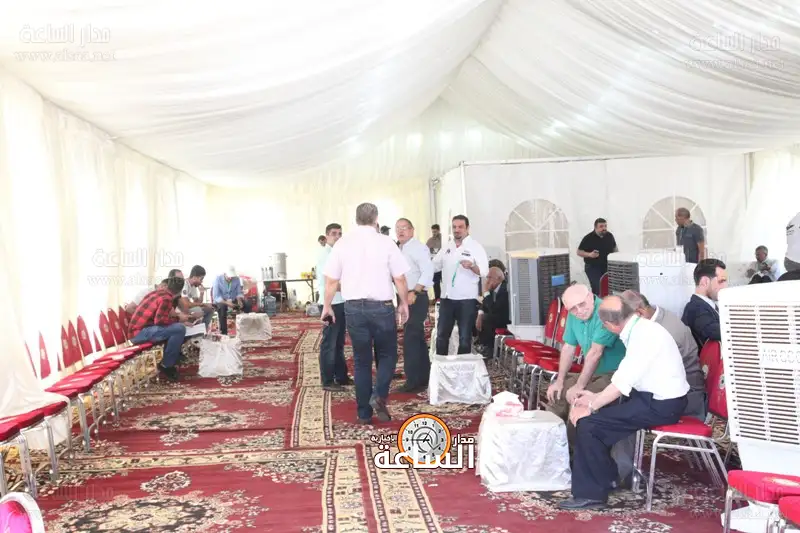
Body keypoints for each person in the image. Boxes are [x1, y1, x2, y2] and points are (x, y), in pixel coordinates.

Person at [558, 295, 689, 511]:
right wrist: (594, 398)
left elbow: (622, 382)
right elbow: (625, 376)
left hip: (661, 404)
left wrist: (590, 406)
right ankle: (608, 477)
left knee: (589, 425)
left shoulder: (643, 336)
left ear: (609, 325)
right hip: (652, 397)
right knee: (599, 417)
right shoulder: (641, 328)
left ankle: (590, 494)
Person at [322, 203, 410, 424]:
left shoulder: (342, 244)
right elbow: (399, 278)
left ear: (356, 219)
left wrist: (327, 306)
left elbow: (331, 280)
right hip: (381, 307)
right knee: (388, 355)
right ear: (376, 219)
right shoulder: (386, 242)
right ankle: (379, 395)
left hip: (353, 308)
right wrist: (403, 303)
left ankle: (363, 413)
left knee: (362, 360)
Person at [432, 215, 489, 355]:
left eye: (460, 227)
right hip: (447, 298)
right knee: (441, 336)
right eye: (454, 227)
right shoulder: (447, 247)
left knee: (464, 338)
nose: (457, 230)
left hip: (466, 300)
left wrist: (472, 266)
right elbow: (434, 265)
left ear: (467, 228)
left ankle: (463, 366)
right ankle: (441, 365)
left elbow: (484, 271)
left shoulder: (475, 247)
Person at [395, 218, 434, 393]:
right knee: (416, 338)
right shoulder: (400, 248)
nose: (400, 231)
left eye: (404, 228)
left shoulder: (418, 247)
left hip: (416, 297)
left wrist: (415, 292)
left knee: (410, 338)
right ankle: (423, 377)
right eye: (398, 228)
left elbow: (428, 271)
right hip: (405, 296)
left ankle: (412, 380)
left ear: (412, 230)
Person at [127, 276, 191, 382]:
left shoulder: (156, 293)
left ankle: (171, 359)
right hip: (140, 333)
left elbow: (160, 319)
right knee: (179, 329)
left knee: (176, 329)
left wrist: (176, 320)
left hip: (137, 331)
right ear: (180, 292)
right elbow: (160, 321)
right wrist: (178, 319)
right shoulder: (167, 299)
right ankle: (167, 365)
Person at [317, 223, 351, 391]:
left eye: (340, 234)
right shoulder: (326, 255)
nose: (337, 237)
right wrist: (352, 287)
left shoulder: (337, 254)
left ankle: (341, 376)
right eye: (334, 233)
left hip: (340, 302)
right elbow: (330, 283)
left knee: (338, 343)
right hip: (330, 304)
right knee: (329, 343)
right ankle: (327, 380)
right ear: (326, 236)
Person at [682, 259, 727, 349]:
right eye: (721, 281)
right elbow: (718, 333)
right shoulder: (696, 308)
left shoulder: (706, 305)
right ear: (704, 281)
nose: (725, 286)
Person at [475, 266, 510, 358]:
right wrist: (480, 314)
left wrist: (486, 292)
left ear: (499, 278)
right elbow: (485, 304)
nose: (487, 281)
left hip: (505, 320)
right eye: (487, 277)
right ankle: (481, 343)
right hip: (496, 316)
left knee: (487, 319)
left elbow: (493, 308)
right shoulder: (494, 288)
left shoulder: (505, 289)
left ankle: (490, 349)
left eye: (490, 277)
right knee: (476, 313)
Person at [577, 218, 617, 295]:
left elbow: (615, 249)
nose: (604, 228)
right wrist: (589, 254)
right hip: (592, 267)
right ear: (595, 227)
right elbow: (579, 252)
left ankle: (607, 302)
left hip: (607, 266)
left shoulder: (609, 236)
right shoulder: (588, 238)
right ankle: (597, 302)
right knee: (598, 287)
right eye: (601, 226)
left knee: (608, 288)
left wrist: (616, 258)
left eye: (605, 226)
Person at [212, 266, 251, 335]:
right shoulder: (217, 279)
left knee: (247, 304)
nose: (230, 278)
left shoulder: (236, 279)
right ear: (224, 274)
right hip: (222, 301)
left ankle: (246, 329)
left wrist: (239, 300)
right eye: (229, 276)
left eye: (232, 276)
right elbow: (216, 297)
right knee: (222, 307)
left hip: (233, 299)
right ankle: (224, 333)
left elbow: (239, 292)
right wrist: (227, 303)